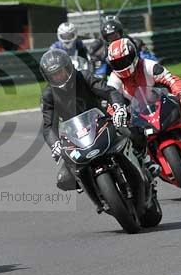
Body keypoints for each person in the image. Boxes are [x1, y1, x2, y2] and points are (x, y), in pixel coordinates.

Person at [39, 48, 160, 213]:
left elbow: (109, 91)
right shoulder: (48, 95)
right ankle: (96, 196)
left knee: (132, 131)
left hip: (101, 122)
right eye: (54, 75)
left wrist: (118, 108)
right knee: (64, 177)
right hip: (75, 135)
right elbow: (48, 126)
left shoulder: (84, 76)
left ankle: (146, 162)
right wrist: (55, 144)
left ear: (68, 68)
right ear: (47, 77)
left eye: (60, 72)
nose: (58, 77)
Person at [105, 38, 181, 150]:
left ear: (133, 56)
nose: (122, 65)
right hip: (136, 114)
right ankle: (143, 157)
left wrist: (180, 93)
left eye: (124, 61)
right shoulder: (113, 80)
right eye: (117, 63)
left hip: (161, 103)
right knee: (129, 137)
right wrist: (117, 115)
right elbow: (111, 101)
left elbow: (171, 80)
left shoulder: (148, 66)